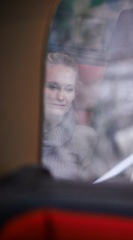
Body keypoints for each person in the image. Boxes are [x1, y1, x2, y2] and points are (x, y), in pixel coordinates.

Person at [42, 52, 98, 181]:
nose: (61, 97)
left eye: (68, 89)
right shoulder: (20, 133)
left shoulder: (83, 138)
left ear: (75, 93)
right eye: (52, 87)